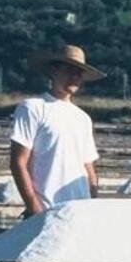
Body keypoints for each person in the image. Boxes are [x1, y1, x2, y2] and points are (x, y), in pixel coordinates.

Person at [8, 44, 104, 215]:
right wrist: (34, 207)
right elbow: (18, 162)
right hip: (46, 208)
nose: (74, 77)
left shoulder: (82, 118)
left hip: (78, 210)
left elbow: (88, 167)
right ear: (54, 71)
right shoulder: (33, 108)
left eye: (79, 73)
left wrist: (92, 203)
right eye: (69, 70)